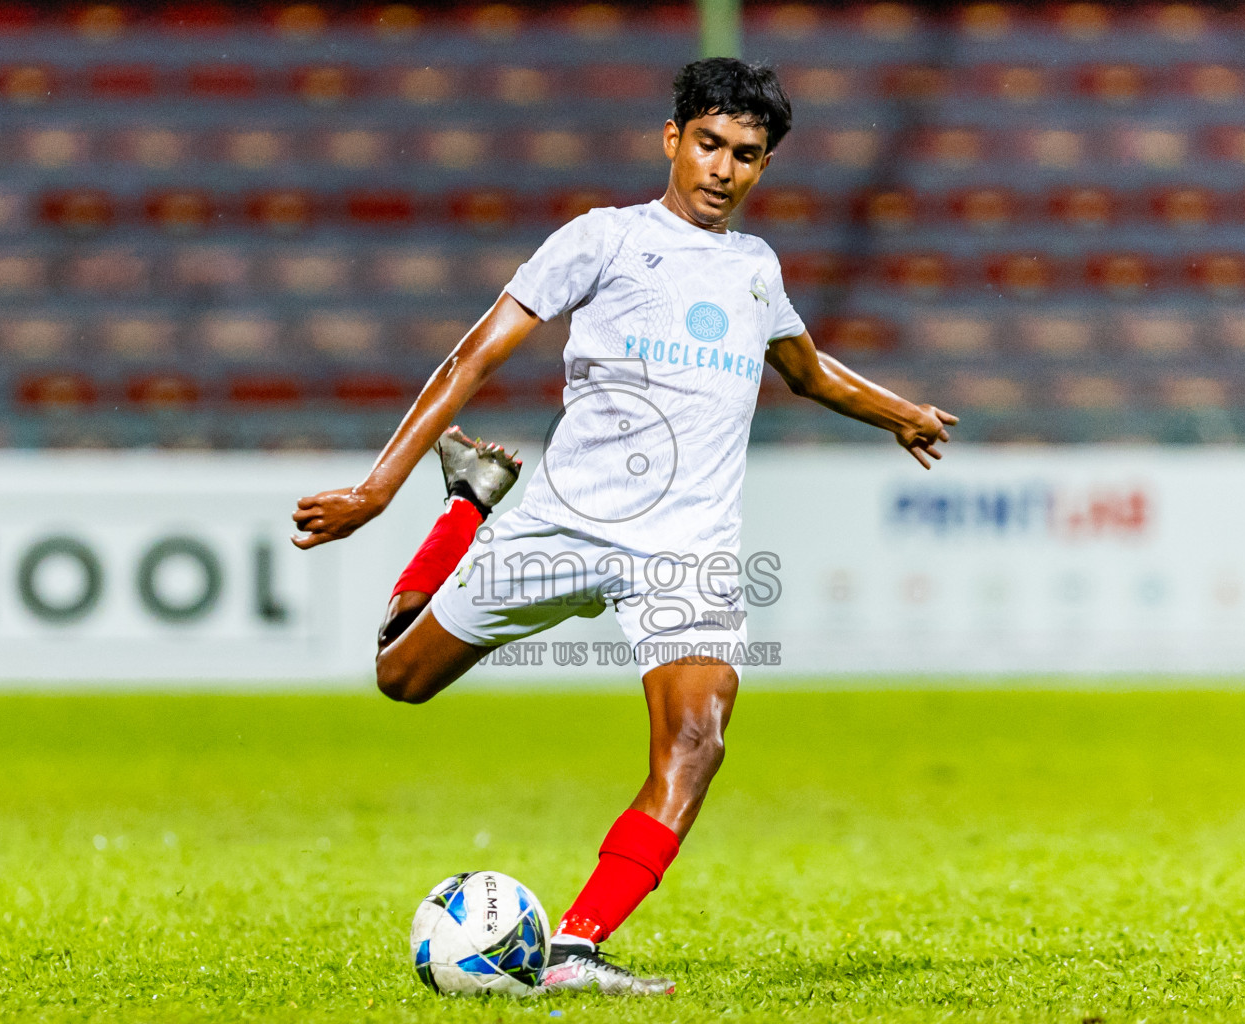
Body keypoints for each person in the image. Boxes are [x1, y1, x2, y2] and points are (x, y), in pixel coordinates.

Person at [291, 57, 957, 996]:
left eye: (749, 156)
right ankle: (465, 507)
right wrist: (376, 490)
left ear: (765, 167)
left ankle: (575, 947)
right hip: (563, 526)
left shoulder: (755, 268)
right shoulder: (601, 241)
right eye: (711, 145)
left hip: (687, 552)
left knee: (698, 741)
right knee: (400, 677)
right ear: (672, 140)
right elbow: (471, 357)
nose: (725, 169)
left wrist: (900, 413)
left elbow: (806, 374)